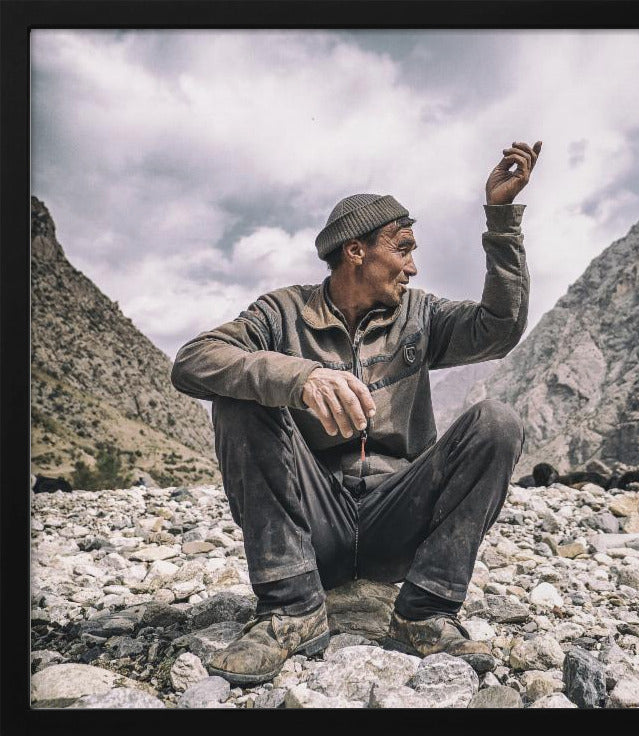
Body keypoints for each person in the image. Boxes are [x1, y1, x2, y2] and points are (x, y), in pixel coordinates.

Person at [171, 140, 542, 685]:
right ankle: (292, 608)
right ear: (356, 251)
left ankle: (426, 614)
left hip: (399, 520)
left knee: (498, 422)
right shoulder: (282, 313)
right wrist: (300, 379)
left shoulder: (422, 315)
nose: (413, 266)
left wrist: (502, 218)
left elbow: (500, 329)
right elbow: (193, 360)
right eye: (403, 248)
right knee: (238, 397)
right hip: (312, 524)